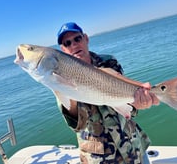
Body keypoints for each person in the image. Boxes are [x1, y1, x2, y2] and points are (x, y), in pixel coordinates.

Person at [56, 22, 159, 164]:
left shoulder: (108, 61)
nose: (73, 45)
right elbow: (77, 124)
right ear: (63, 49)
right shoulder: (60, 77)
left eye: (77, 39)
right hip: (99, 158)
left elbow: (128, 102)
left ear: (86, 38)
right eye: (67, 43)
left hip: (132, 146)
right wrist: (64, 87)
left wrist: (139, 103)